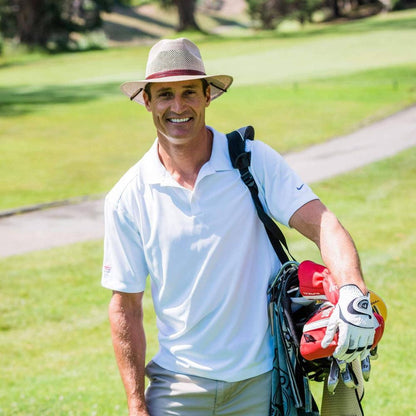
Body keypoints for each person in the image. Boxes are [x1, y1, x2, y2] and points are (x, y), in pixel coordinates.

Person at [101, 38, 376, 416]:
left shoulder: (251, 161)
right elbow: (125, 306)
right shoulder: (127, 196)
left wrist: (351, 289)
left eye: (189, 93)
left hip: (263, 382)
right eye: (165, 94)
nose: (178, 107)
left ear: (208, 96)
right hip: (178, 389)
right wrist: (135, 403)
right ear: (147, 100)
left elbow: (324, 223)